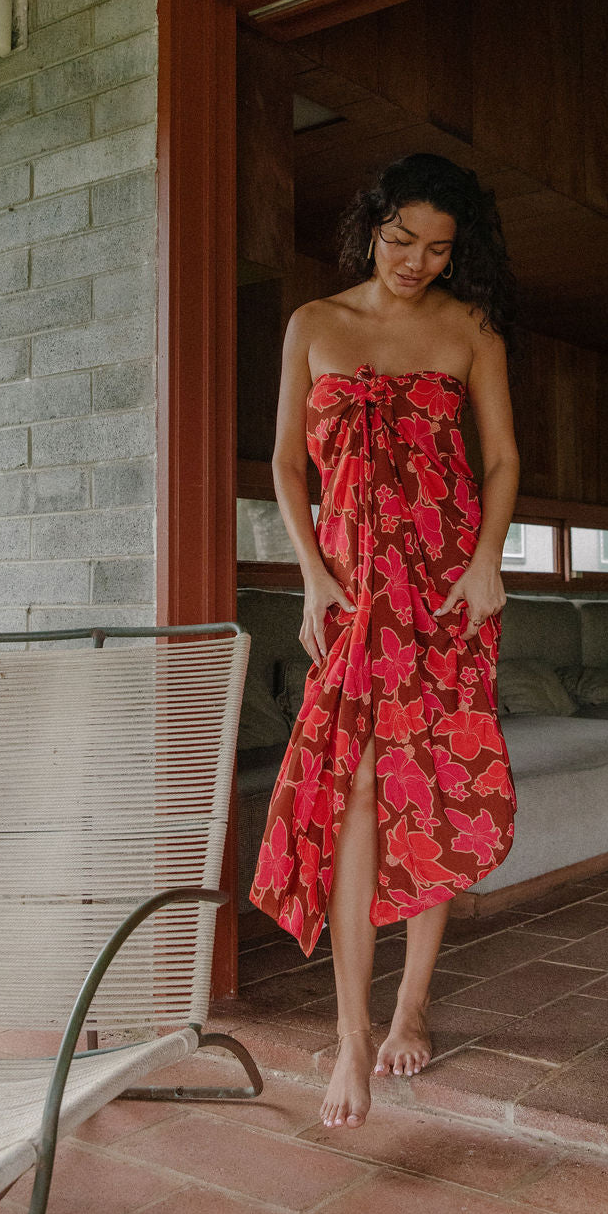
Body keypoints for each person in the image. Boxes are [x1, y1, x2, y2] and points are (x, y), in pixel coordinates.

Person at [250, 152, 520, 1130]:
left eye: (438, 249)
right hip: (351, 592)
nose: (416, 261)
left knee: (429, 790)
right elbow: (287, 465)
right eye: (402, 239)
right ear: (371, 226)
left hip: (445, 592)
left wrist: (486, 563)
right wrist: (311, 574)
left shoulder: (469, 329)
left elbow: (501, 459)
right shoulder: (312, 324)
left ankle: (411, 1005)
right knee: (357, 789)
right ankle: (352, 1034)